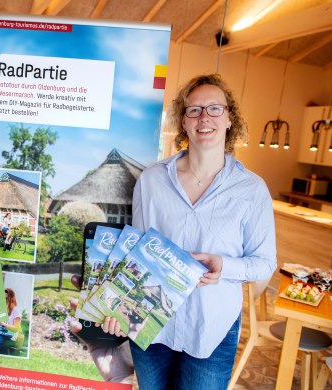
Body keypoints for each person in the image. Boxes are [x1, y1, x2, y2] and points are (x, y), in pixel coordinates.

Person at [101, 74, 277, 389]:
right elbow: (134, 252)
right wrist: (117, 305)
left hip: (211, 326)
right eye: (194, 110)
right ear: (184, 122)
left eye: (214, 109)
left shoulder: (252, 189)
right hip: (149, 320)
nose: (204, 117)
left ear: (229, 118)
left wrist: (225, 266)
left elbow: (265, 262)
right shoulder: (152, 180)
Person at [0, 288, 22, 355]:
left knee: (2, 339)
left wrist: (2, 323)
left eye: (6, 298)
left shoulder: (16, 312)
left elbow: (16, 328)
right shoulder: (3, 310)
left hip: (10, 338)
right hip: (0, 335)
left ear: (11, 299)